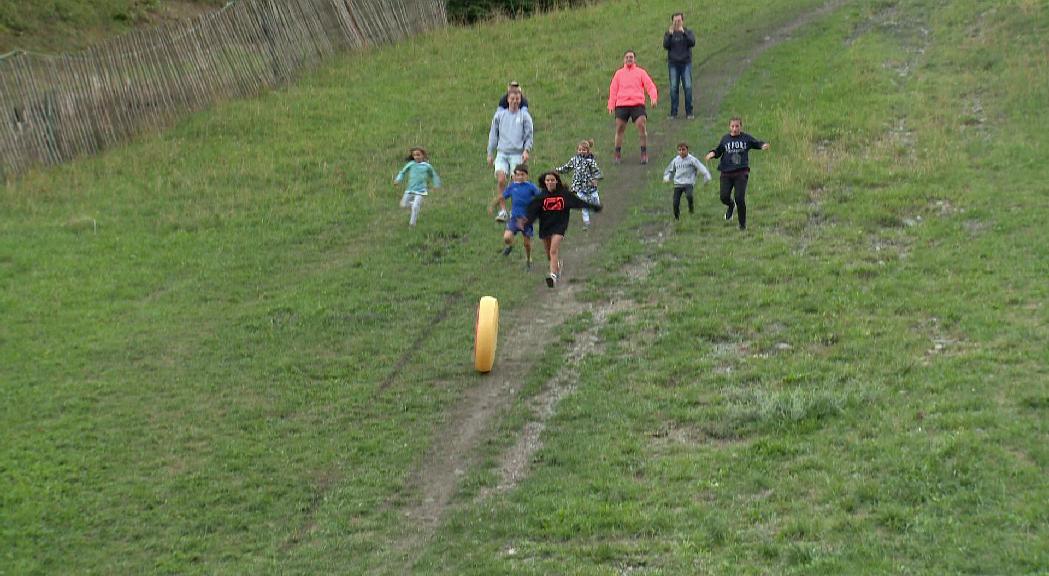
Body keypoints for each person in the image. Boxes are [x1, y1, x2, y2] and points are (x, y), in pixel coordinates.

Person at [519, 172, 602, 288]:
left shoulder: (564, 195)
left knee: (553, 250)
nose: (550, 182)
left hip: (559, 226)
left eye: (552, 180)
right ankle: (557, 266)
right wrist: (526, 224)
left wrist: (594, 207)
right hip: (546, 227)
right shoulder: (540, 197)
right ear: (544, 182)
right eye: (547, 180)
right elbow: (532, 213)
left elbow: (578, 203)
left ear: (557, 181)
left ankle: (552, 276)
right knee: (549, 254)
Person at [704, 117, 770, 230]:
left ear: (741, 126)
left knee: (739, 198)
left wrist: (763, 145)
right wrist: (712, 154)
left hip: (741, 173)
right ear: (729, 127)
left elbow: (756, 143)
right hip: (726, 173)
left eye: (737, 126)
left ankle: (742, 225)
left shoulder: (746, 138)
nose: (735, 129)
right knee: (724, 197)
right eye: (732, 126)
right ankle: (731, 205)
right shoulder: (725, 139)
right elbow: (718, 150)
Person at [487, 89, 534, 223]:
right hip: (502, 152)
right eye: (512, 99)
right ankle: (502, 210)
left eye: (517, 99)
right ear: (507, 100)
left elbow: (529, 135)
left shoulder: (524, 116)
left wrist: (526, 150)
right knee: (501, 179)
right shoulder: (500, 115)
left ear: (520, 100)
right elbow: (493, 135)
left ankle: (515, 209)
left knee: (516, 181)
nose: (514, 101)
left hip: (517, 153)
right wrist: (490, 153)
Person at [607, 50, 658, 165]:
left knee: (641, 125)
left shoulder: (641, 73)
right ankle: (617, 153)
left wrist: (653, 98)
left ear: (634, 59)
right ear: (624, 59)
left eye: (631, 57)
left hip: (637, 103)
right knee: (619, 127)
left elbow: (650, 86)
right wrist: (611, 104)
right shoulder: (619, 74)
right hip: (622, 104)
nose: (629, 59)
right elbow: (613, 90)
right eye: (627, 57)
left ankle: (644, 153)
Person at [488, 164, 542, 269]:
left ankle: (528, 259)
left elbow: (540, 197)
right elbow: (502, 196)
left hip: (526, 219)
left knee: (527, 243)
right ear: (514, 176)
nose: (520, 177)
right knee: (507, 237)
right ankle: (510, 245)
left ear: (527, 176)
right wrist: (492, 205)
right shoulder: (512, 187)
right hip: (514, 218)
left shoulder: (531, 187)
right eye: (518, 175)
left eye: (522, 175)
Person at [555, 138, 603, 231]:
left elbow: (598, 172)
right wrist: (557, 170)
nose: (581, 152)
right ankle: (586, 223)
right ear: (577, 150)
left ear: (588, 151)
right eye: (580, 150)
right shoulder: (574, 160)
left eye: (584, 150)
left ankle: (597, 210)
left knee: (595, 200)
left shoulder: (591, 161)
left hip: (590, 187)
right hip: (579, 187)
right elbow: (567, 168)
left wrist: (595, 179)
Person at [393, 146, 441, 227]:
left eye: (418, 155)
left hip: (421, 190)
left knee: (415, 207)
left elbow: (433, 175)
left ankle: (412, 224)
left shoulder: (427, 166)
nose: (416, 157)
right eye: (414, 155)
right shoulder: (411, 164)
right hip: (410, 189)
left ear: (423, 155)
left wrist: (436, 184)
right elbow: (403, 172)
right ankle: (415, 205)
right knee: (403, 205)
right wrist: (398, 179)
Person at [663, 142, 711, 220]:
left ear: (687, 150)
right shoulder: (675, 160)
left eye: (683, 149)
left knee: (689, 196)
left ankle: (691, 208)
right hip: (678, 184)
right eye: (679, 150)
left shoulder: (692, 159)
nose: (681, 152)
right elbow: (670, 170)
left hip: (688, 183)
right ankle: (676, 217)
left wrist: (706, 175)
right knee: (675, 202)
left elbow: (700, 166)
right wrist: (667, 177)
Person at [663, 12, 696, 120]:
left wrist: (684, 33)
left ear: (682, 21)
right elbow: (666, 45)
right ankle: (673, 112)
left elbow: (692, 43)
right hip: (673, 64)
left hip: (686, 63)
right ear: (672, 22)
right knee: (673, 88)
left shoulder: (688, 32)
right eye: (675, 21)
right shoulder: (668, 33)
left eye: (679, 20)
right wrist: (671, 34)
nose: (677, 23)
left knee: (688, 87)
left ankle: (689, 112)